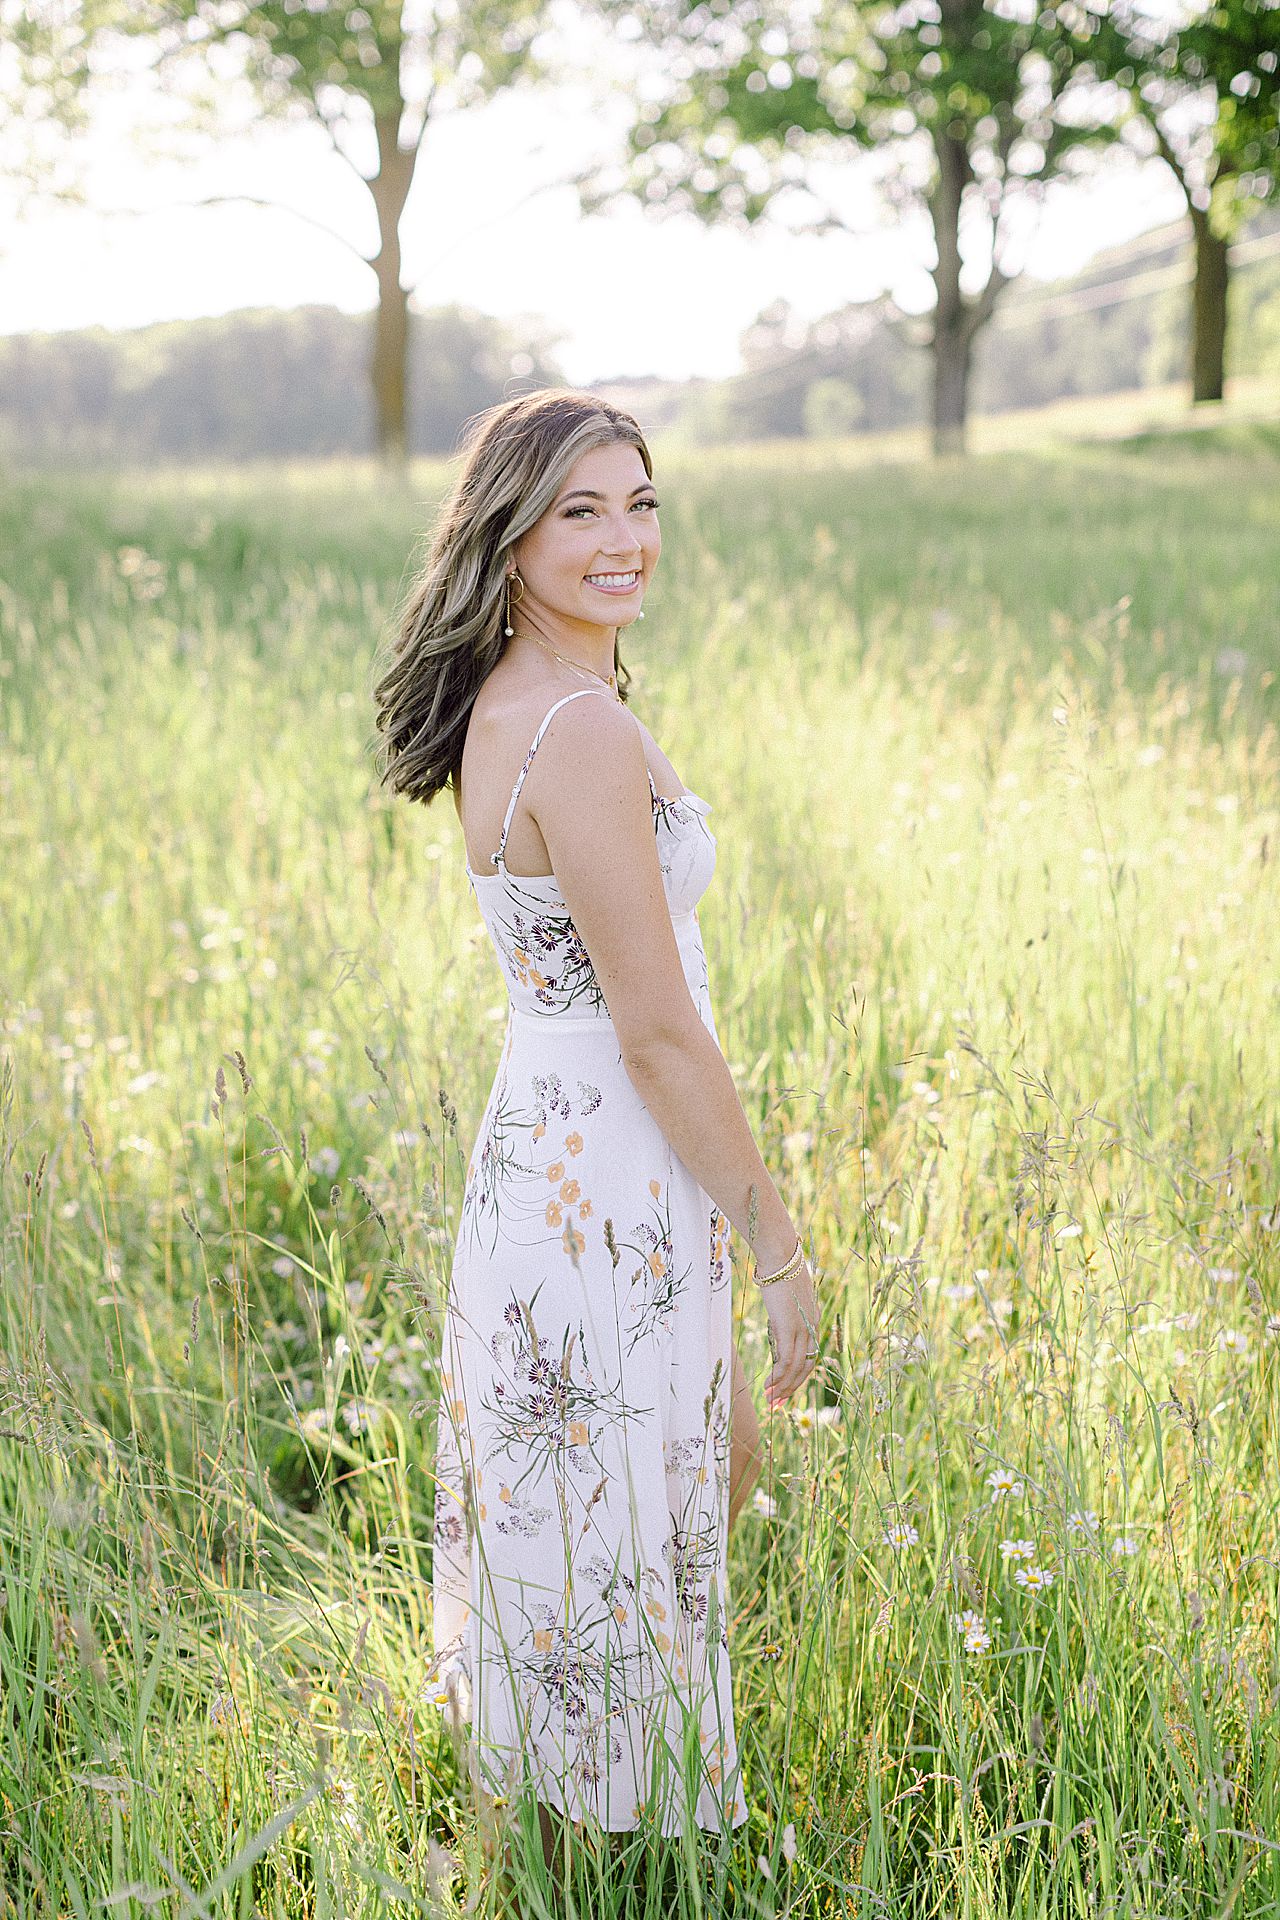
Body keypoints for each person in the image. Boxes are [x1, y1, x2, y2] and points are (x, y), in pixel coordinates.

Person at [370, 388, 819, 1877]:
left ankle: (553, 1831)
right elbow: (656, 1028)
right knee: (642, 1494)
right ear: (508, 535)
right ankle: (571, 1846)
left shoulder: (534, 697)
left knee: (664, 1477)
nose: (625, 538)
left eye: (640, 503)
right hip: (609, 1164)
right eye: (582, 510)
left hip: (551, 1159)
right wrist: (777, 1239)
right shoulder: (571, 727)